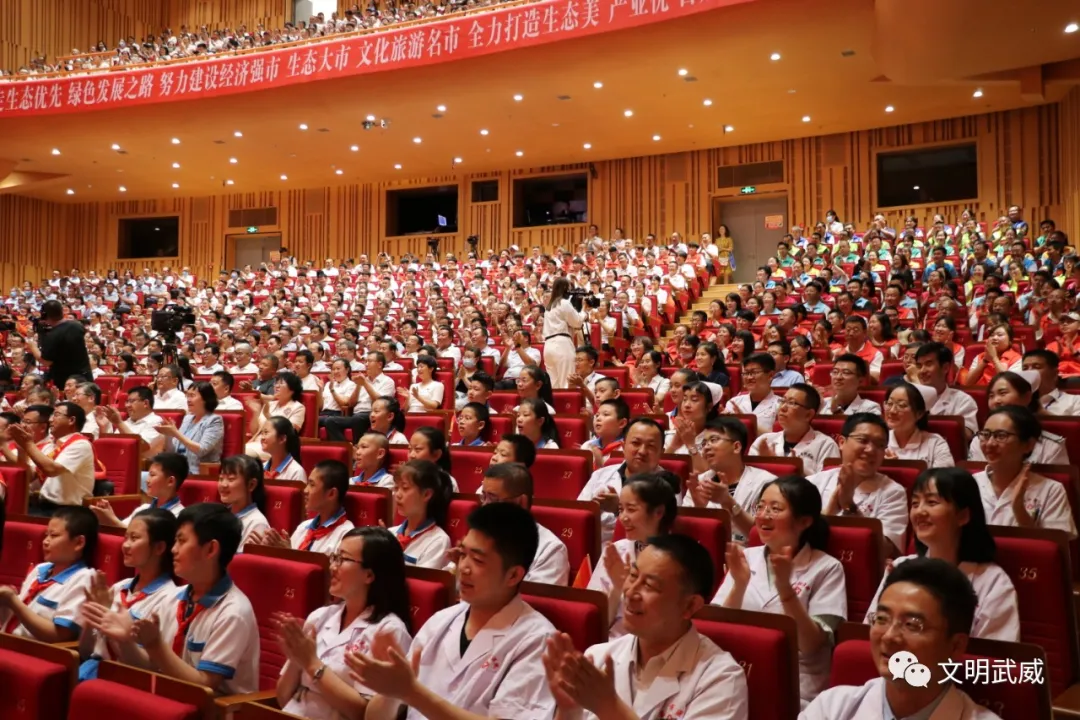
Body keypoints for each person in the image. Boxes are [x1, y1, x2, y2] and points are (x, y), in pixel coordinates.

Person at [345, 502, 558, 719]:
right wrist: (390, 691)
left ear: (513, 575)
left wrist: (411, 692)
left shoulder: (537, 640)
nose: (463, 568)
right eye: (462, 554)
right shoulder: (441, 621)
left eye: (478, 560)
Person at [545, 534, 748, 720]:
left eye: (649, 585)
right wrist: (569, 710)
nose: (630, 592)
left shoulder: (721, 679)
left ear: (689, 606)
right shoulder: (597, 657)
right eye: (633, 576)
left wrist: (609, 706)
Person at [83, 503, 260, 695]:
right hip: (167, 698)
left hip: (215, 707)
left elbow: (205, 686)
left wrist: (156, 645)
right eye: (175, 541)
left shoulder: (233, 612)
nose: (174, 549)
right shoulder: (174, 598)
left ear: (210, 549)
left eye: (182, 541)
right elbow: (150, 667)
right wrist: (126, 641)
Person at [801, 558, 1002, 720]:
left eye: (912, 625)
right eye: (882, 619)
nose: (889, 636)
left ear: (956, 646)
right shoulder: (831, 709)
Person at [716, 476, 847, 709]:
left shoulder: (827, 567)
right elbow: (718, 630)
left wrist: (786, 590)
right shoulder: (745, 557)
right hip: (736, 673)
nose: (763, 515)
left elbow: (811, 645)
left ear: (804, 521)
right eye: (760, 507)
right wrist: (739, 585)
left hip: (797, 686)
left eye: (775, 509)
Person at [863, 468, 1019, 641]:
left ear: (963, 515)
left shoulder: (993, 582)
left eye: (931, 502)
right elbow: (871, 632)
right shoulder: (900, 568)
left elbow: (991, 654)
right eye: (915, 503)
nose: (919, 511)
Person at [273, 526, 413, 720]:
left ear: (369, 575)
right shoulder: (319, 617)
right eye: (334, 557)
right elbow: (283, 699)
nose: (332, 567)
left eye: (343, 559)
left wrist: (312, 664)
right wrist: (296, 661)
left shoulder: (388, 631)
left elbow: (363, 714)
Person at [77, 508, 179, 680]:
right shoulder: (119, 587)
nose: (125, 545)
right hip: (91, 670)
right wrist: (92, 618)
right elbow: (85, 651)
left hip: (124, 681)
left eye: (134, 538)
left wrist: (124, 640)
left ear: (159, 547)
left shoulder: (170, 599)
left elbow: (151, 668)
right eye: (125, 538)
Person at [588, 473, 677, 637]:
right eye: (620, 509)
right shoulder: (616, 551)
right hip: (611, 643)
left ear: (658, 512)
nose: (623, 518)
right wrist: (617, 588)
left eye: (631, 509)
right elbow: (594, 623)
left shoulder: (678, 559)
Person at [807, 413, 907, 555]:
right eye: (863, 440)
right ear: (842, 442)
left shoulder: (893, 492)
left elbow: (887, 551)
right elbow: (794, 537)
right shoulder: (814, 483)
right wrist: (830, 512)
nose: (871, 449)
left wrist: (850, 506)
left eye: (879, 445)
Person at [972, 405, 1076, 537]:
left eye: (1001, 436)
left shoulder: (1051, 490)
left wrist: (1019, 509)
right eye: (986, 435)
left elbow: (1053, 546)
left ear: (1028, 445)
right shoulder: (969, 483)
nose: (990, 443)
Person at [0, 505, 97, 640]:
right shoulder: (40, 569)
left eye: (54, 535)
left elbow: (60, 636)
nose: (45, 541)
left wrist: (13, 602)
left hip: (33, 650)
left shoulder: (84, 579)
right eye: (46, 535)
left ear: (79, 543)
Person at [685, 416, 777, 543]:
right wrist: (701, 510)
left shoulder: (765, 483)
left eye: (713, 440)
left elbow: (764, 535)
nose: (706, 447)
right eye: (704, 443)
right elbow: (687, 532)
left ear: (736, 447)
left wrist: (728, 503)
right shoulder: (700, 481)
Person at [579, 418, 666, 548]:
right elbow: (580, 517)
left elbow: (661, 533)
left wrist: (618, 509)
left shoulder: (667, 486)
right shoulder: (600, 475)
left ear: (661, 453)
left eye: (651, 446)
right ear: (623, 446)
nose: (642, 451)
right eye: (636, 443)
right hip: (594, 550)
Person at [480, 462, 570, 585]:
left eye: (493, 499)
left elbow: (536, 597)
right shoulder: (478, 537)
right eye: (483, 497)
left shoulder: (550, 550)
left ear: (521, 502)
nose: (484, 506)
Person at [9, 401, 95, 515]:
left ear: (71, 420)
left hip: (69, 511)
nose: (50, 420)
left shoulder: (81, 444)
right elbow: (29, 477)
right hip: (43, 505)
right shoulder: (50, 446)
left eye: (56, 415)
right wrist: (22, 451)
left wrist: (28, 444)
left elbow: (51, 470)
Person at [968, 371, 1068, 463]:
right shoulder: (979, 441)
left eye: (1003, 393)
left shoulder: (1051, 446)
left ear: (1026, 397)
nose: (996, 401)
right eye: (991, 396)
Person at [750, 383, 838, 475]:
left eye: (791, 403)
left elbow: (828, 481)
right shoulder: (764, 441)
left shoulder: (826, 445)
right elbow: (750, 479)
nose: (782, 408)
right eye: (782, 401)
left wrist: (793, 469)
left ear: (808, 415)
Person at [92, 451, 187, 526]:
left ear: (170, 481)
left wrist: (111, 518)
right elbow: (122, 529)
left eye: (152, 475)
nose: (147, 480)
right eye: (148, 475)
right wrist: (107, 517)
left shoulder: (179, 516)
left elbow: (142, 539)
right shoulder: (143, 508)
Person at [391, 459, 452, 568]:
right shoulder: (390, 534)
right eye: (396, 488)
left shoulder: (438, 541)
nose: (397, 495)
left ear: (426, 494)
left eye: (405, 488)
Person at [157, 380, 224, 476]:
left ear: (206, 398)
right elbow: (172, 451)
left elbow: (202, 450)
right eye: (187, 396)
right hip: (178, 470)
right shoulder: (187, 418)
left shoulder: (214, 420)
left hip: (198, 472)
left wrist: (176, 433)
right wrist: (168, 435)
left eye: (192, 396)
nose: (188, 400)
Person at [915, 343, 978, 442]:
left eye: (928, 364)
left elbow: (965, 436)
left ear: (945, 368)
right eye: (919, 366)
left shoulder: (963, 400)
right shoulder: (908, 398)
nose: (922, 371)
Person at [883, 382, 954, 467]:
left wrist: (899, 469)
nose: (892, 411)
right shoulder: (877, 440)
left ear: (919, 414)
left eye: (901, 405)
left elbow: (944, 475)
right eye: (889, 403)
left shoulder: (935, 443)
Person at [30, 298, 92, 388]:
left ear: (45, 315)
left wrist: (33, 346)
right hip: (85, 375)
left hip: (65, 381)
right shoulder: (77, 325)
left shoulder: (52, 336)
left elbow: (46, 362)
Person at [245, 371, 306, 459]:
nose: (276, 386)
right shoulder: (270, 404)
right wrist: (256, 413)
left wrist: (268, 415)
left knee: (243, 453)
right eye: (276, 383)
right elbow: (254, 432)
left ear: (292, 389)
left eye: (281, 383)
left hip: (276, 447)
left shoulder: (298, 407)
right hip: (257, 443)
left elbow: (290, 433)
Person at [218, 454, 271, 548]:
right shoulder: (219, 515)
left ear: (251, 485)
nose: (223, 484)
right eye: (221, 478)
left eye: (231, 479)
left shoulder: (257, 523)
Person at [544, 277, 587, 389]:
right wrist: (584, 311)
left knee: (553, 385)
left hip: (548, 345)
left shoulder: (549, 307)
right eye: (569, 288)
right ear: (565, 288)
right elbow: (577, 322)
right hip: (561, 344)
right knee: (567, 382)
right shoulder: (564, 303)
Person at [724, 353, 782, 435]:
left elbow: (780, 437)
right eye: (746, 373)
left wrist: (745, 421)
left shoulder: (781, 405)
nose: (749, 377)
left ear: (770, 375)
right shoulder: (734, 402)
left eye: (754, 372)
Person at [1023, 349, 1080, 415]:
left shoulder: (1076, 401)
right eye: (1025, 368)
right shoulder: (1017, 400)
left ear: (1055, 373)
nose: (1029, 372)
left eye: (1037, 367)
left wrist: (1041, 411)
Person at [260, 416, 307, 481]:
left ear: (282, 439)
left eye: (266, 433)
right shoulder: (261, 469)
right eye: (262, 433)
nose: (262, 438)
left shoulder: (296, 472)